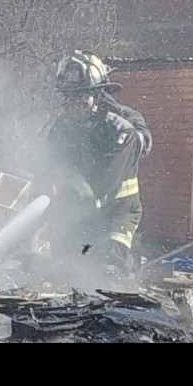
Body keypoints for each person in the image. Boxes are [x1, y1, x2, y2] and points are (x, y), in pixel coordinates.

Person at [36, 50, 152, 286]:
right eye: (69, 97)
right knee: (64, 275)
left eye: (82, 96)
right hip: (76, 218)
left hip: (116, 215)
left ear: (98, 94)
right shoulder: (63, 126)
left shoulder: (120, 128)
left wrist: (65, 184)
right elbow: (48, 163)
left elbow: (99, 183)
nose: (74, 104)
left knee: (109, 271)